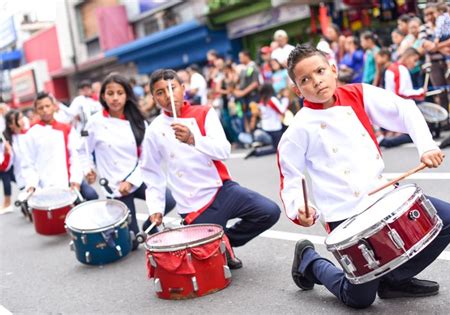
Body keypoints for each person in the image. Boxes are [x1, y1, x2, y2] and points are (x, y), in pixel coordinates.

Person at [278, 44, 450, 308]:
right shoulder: (297, 129)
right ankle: (310, 261)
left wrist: (427, 146)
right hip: (344, 215)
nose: (316, 82)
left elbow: (405, 109)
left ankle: (394, 281)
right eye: (305, 79)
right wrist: (300, 209)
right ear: (297, 90)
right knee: (360, 300)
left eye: (320, 71)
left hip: (383, 194)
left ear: (332, 69)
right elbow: (290, 178)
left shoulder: (358, 94)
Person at [140, 69, 281, 269]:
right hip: (192, 204)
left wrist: (193, 139)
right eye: (160, 92)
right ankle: (215, 245)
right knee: (203, 266)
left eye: (172, 88)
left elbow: (223, 150)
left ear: (183, 88)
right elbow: (151, 172)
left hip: (222, 189)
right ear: (154, 98)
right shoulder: (154, 130)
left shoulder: (204, 112)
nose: (168, 96)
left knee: (269, 212)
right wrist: (155, 208)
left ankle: (225, 242)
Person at [78, 74, 175, 249]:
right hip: (114, 187)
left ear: (127, 95)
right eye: (110, 93)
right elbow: (83, 150)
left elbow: (147, 157)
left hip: (137, 178)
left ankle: (149, 226)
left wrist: (130, 181)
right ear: (103, 96)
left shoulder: (138, 121)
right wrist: (88, 169)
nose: (115, 98)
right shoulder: (94, 122)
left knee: (168, 199)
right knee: (131, 243)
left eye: (120, 93)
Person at [22, 92, 98, 201]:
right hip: (44, 185)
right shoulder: (31, 133)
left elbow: (75, 156)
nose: (45, 110)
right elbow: (28, 163)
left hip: (68, 180)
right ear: (36, 111)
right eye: (41, 108)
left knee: (91, 196)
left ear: (54, 106)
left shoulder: (66, 129)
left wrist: (75, 180)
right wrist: (31, 184)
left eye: (47, 106)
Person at [420, 3, 450, 131]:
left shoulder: (446, 22)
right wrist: (442, 48)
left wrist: (436, 47)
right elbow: (424, 43)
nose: (430, 16)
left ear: (438, 12)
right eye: (427, 14)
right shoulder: (424, 28)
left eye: (432, 13)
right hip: (434, 64)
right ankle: (444, 122)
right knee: (440, 93)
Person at [244, 83, 287, 159]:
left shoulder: (262, 101)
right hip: (275, 128)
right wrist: (285, 100)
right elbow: (282, 110)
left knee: (277, 147)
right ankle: (258, 152)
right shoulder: (271, 100)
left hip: (266, 127)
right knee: (278, 148)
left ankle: (258, 151)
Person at [0, 110, 29, 214]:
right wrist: (7, 153)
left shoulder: (31, 134)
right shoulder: (7, 142)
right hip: (22, 180)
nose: (23, 121)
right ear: (10, 125)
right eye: (19, 119)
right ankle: (23, 205)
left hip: (37, 179)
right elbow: (4, 168)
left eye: (22, 117)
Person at [433, 3, 450, 78]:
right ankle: (449, 67)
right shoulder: (449, 17)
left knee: (434, 47)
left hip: (443, 36)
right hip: (449, 36)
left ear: (440, 11)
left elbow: (439, 28)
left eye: (435, 12)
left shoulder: (441, 18)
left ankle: (428, 61)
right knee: (447, 51)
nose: (434, 15)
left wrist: (437, 38)